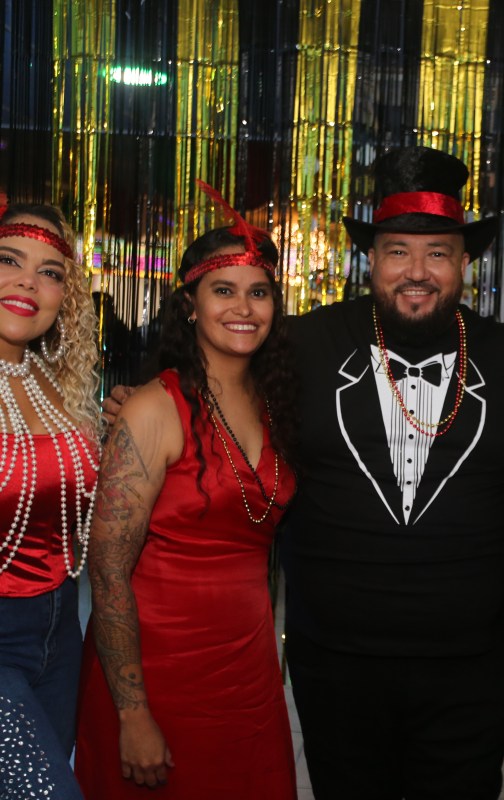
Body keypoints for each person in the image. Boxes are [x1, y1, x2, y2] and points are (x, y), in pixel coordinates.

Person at [103, 146, 504, 799]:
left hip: (470, 670)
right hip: (335, 664)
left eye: (438, 253)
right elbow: (209, 389)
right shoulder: (302, 347)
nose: (417, 271)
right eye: (398, 251)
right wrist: (133, 407)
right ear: (372, 260)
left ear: (464, 263)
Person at [74, 185, 298, 799]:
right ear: (190, 305)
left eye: (259, 292)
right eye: (223, 291)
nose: (243, 307)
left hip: (247, 677)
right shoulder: (154, 407)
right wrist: (131, 712)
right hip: (156, 676)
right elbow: (108, 570)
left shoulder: (279, 404)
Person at [0, 200, 100, 800]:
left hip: (63, 632)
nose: (28, 282)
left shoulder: (55, 382)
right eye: (8, 260)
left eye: (51, 271)